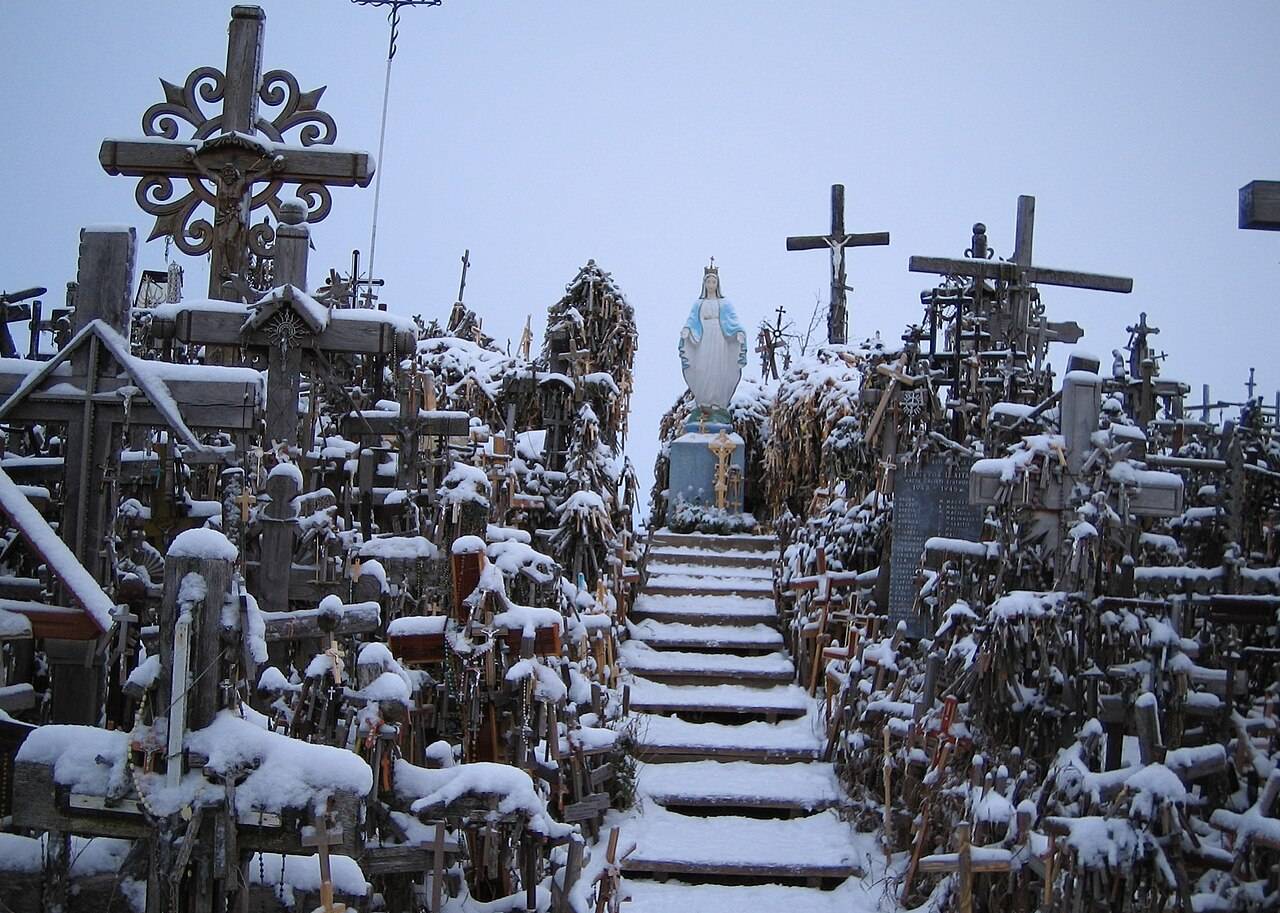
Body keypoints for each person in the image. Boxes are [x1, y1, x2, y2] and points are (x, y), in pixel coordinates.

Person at [678, 264, 747, 418]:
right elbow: (692, 320)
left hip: (719, 338)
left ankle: (718, 402)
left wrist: (739, 333)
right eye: (708, 282)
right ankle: (704, 402)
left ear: (717, 284)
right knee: (702, 368)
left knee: (717, 368)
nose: (711, 285)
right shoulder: (698, 303)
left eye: (713, 282)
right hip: (704, 338)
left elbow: (733, 321)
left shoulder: (725, 303)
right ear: (704, 284)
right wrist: (687, 330)